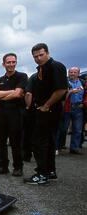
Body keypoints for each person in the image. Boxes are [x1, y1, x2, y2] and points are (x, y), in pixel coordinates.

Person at [24, 43, 67, 185]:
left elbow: (61, 90)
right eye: (35, 56)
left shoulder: (56, 66)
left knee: (38, 142)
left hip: (49, 109)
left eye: (41, 55)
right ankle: (50, 171)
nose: (38, 58)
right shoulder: (42, 69)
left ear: (47, 53)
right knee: (47, 142)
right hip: (45, 110)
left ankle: (42, 174)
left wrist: (46, 105)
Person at [0, 53, 28, 177]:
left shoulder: (22, 76)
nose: (11, 64)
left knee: (15, 141)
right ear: (3, 64)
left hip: (16, 112)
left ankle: (18, 167)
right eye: (9, 62)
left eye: (13, 62)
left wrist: (2, 94)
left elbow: (18, 94)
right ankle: (3, 166)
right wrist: (12, 92)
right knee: (0, 141)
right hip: (1, 113)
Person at [56, 67, 85, 155]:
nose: (72, 74)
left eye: (74, 72)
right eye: (70, 72)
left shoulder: (83, 83)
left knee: (78, 129)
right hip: (67, 107)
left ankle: (74, 148)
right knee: (63, 128)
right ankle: (59, 146)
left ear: (78, 73)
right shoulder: (64, 82)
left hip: (78, 107)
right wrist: (70, 92)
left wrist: (83, 103)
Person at [23, 73, 38, 163]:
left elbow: (28, 94)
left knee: (27, 134)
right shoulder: (37, 80)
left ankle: (26, 155)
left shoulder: (30, 81)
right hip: (39, 109)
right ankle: (36, 155)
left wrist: (27, 107)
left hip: (30, 111)